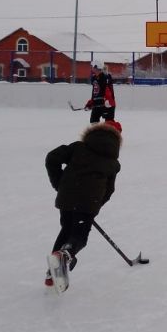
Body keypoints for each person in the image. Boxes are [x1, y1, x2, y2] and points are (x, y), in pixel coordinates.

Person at [44, 119, 123, 292]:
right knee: (79, 236)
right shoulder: (113, 163)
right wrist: (95, 206)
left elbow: (52, 158)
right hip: (89, 202)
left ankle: (52, 273)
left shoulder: (78, 147)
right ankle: (65, 255)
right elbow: (109, 190)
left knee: (66, 230)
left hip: (67, 196)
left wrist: (59, 183)